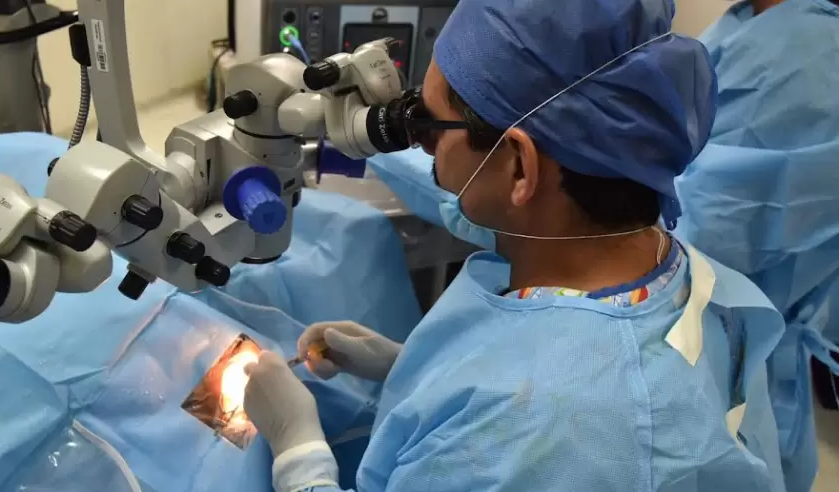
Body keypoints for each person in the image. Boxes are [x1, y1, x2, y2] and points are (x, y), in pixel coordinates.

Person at [243, 1, 789, 490]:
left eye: (430, 127)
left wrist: (299, 452)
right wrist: (410, 369)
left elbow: (528, 427)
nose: (422, 146)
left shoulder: (530, 433)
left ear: (520, 167)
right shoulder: (679, 274)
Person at [673, 1, 839, 490]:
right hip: (712, 342)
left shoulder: (808, 50)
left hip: (728, 345)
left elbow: (706, 229)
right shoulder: (749, 22)